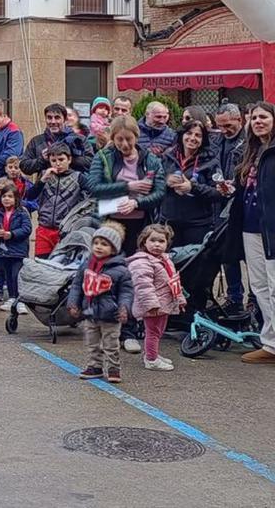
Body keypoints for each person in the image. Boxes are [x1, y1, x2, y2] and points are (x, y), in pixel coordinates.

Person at [86, 114, 166, 354]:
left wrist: (137, 203)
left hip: (139, 226)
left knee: (134, 277)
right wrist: (126, 187)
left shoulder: (150, 159)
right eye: (119, 140)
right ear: (112, 138)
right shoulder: (104, 157)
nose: (124, 145)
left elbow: (160, 191)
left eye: (128, 139)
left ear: (136, 137)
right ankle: (106, 327)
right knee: (109, 275)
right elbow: (92, 186)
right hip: (111, 224)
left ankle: (130, 330)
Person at [229, 101, 275, 363]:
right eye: (254, 118)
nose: (258, 121)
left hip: (271, 228)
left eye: (263, 117)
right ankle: (271, 342)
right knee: (259, 286)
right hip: (249, 225)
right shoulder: (250, 151)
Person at [67, 225, 133, 383]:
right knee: (92, 343)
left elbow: (126, 292)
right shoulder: (86, 266)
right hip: (90, 313)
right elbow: (77, 286)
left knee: (111, 344)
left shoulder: (121, 270)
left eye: (104, 244)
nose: (99, 247)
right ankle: (94, 366)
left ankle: (113, 368)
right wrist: (73, 303)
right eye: (96, 243)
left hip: (111, 315)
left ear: (114, 248)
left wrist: (124, 308)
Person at [127, 224, 186, 372]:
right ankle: (151, 360)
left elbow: (173, 281)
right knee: (152, 332)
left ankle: (152, 354)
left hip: (164, 303)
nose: (157, 245)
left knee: (158, 331)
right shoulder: (142, 262)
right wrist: (151, 304)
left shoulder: (164, 259)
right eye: (152, 240)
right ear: (144, 242)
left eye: (161, 241)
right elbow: (143, 287)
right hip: (154, 305)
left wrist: (180, 299)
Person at [159, 120, 225, 248]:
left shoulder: (210, 161)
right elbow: (153, 185)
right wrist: (166, 181)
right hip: (169, 222)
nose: (192, 138)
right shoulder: (167, 157)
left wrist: (192, 187)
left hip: (198, 224)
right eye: (189, 133)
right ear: (182, 135)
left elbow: (218, 193)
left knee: (194, 265)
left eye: (198, 135)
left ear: (203, 140)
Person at [25, 143, 85, 261]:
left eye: (61, 159)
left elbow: (93, 192)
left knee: (60, 265)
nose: (58, 163)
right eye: (53, 160)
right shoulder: (44, 174)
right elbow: (30, 195)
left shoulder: (78, 177)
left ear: (69, 159)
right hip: (44, 228)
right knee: (41, 264)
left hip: (65, 230)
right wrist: (42, 180)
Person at [215, 103, 247, 312]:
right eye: (220, 126)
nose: (224, 130)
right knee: (228, 253)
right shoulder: (218, 141)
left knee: (251, 257)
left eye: (228, 125)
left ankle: (252, 299)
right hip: (221, 203)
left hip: (244, 204)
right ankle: (234, 297)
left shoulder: (248, 143)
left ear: (239, 120)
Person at [0, 181, 31, 313]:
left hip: (18, 251)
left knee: (16, 274)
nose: (6, 199)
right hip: (3, 250)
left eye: (10, 196)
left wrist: (12, 234)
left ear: (16, 198)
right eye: (4, 196)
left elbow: (27, 229)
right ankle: (12, 297)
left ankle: (20, 299)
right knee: (7, 274)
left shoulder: (22, 212)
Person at [21, 103, 91, 177]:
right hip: (45, 186)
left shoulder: (79, 140)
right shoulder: (36, 141)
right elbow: (24, 166)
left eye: (57, 118)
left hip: (74, 186)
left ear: (64, 120)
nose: (53, 122)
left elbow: (89, 162)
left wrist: (68, 157)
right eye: (49, 118)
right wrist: (42, 159)